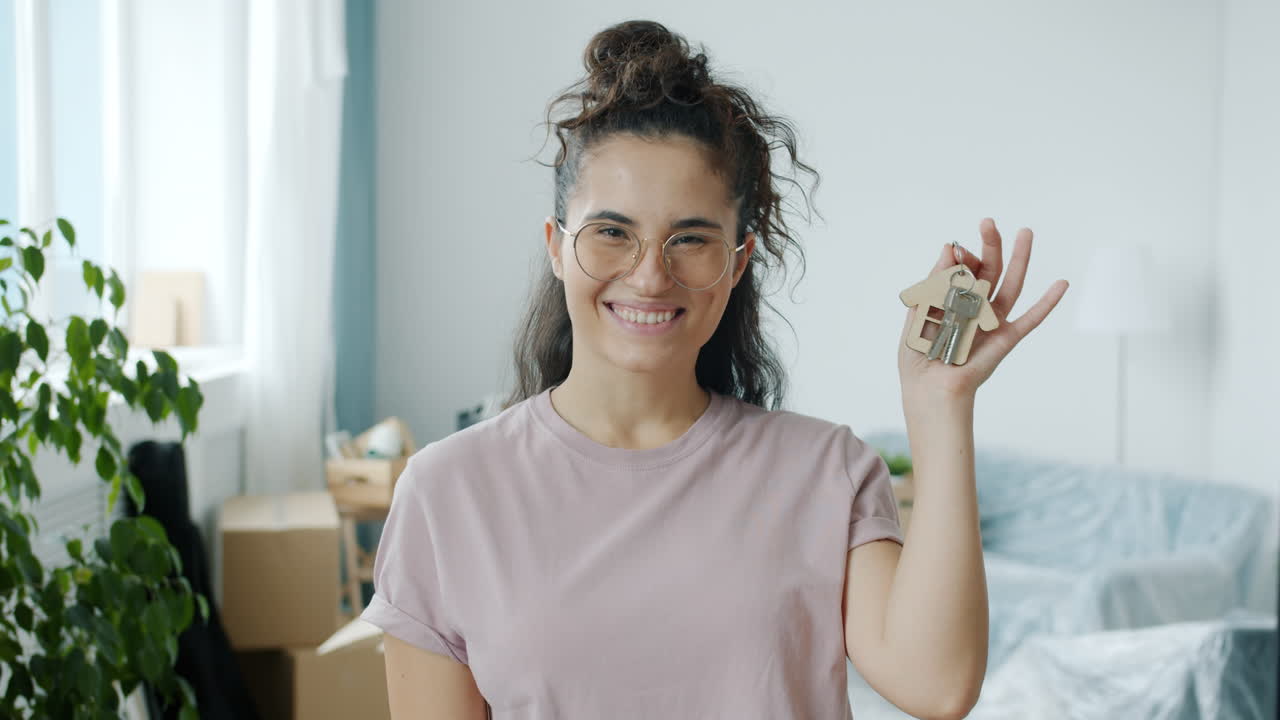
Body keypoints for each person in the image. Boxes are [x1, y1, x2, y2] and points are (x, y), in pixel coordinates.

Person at [360, 19, 1069, 720]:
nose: (649, 276)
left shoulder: (827, 472)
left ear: (736, 263)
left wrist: (938, 402)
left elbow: (938, 686)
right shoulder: (447, 492)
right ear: (556, 245)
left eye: (690, 240)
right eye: (612, 232)